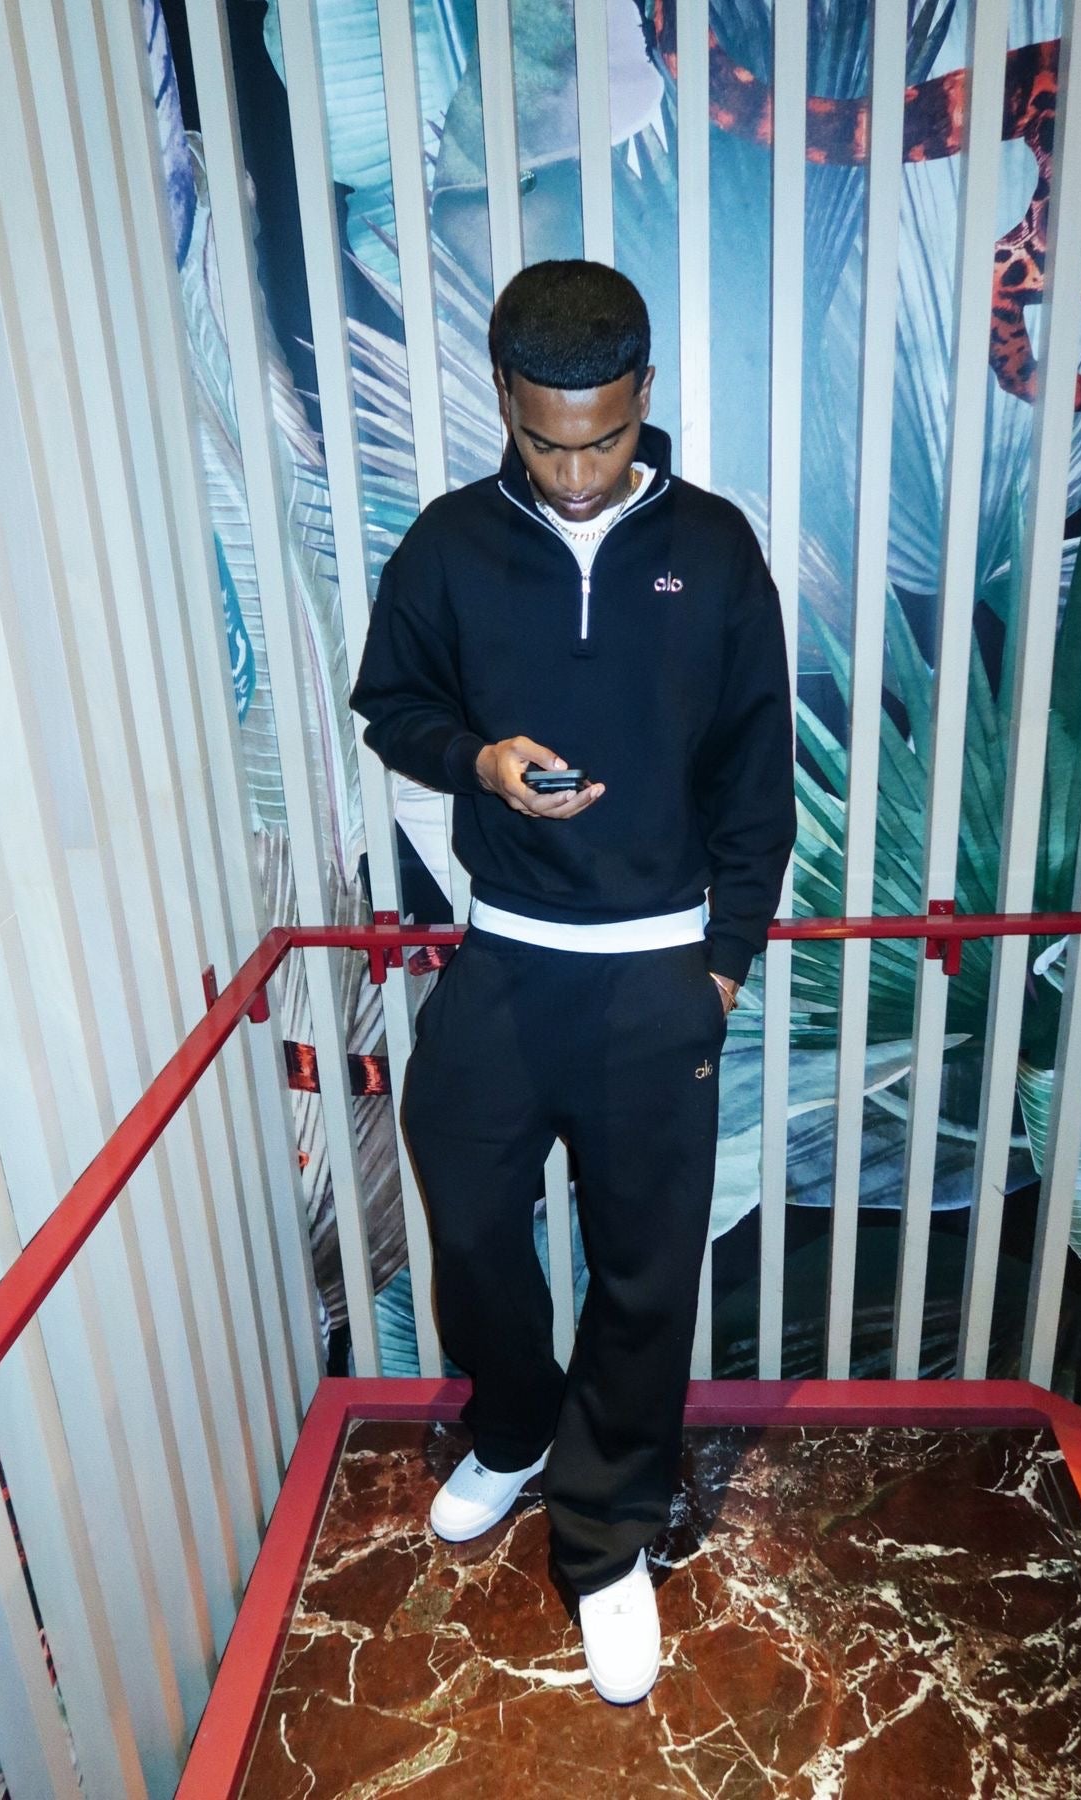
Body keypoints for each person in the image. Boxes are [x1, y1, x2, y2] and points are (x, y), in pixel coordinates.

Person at [351, 259, 795, 1705]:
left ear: (643, 397)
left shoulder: (714, 551)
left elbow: (758, 781)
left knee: (646, 1270)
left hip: (658, 972)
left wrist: (721, 967)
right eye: (548, 442)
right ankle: (517, 1428)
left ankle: (606, 1540)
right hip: (505, 959)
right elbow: (392, 705)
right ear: (505, 401)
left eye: (602, 438)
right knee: (472, 1213)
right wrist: (474, 759)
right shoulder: (450, 545)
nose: (578, 469)